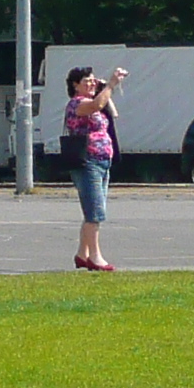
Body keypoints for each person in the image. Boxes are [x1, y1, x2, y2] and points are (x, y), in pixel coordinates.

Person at [63, 65, 125, 271]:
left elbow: (111, 112)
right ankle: (95, 258)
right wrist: (111, 84)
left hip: (101, 160)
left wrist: (103, 88)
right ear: (75, 85)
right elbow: (97, 105)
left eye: (92, 80)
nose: (90, 84)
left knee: (92, 210)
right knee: (95, 212)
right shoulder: (76, 104)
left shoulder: (94, 99)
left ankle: (83, 254)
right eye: (85, 81)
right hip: (87, 162)